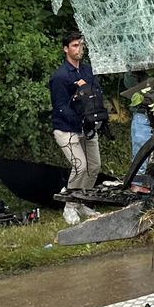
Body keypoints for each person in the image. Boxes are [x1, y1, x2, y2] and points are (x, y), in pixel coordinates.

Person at [48, 31, 103, 224]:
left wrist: (96, 117)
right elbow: (60, 107)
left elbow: (96, 93)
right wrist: (80, 117)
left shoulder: (87, 70)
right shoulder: (60, 76)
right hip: (66, 128)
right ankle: (69, 207)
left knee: (94, 166)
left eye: (80, 45)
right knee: (80, 166)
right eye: (74, 45)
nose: (79, 49)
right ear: (66, 49)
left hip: (88, 126)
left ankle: (82, 201)